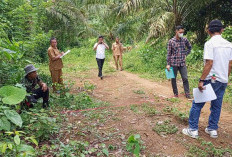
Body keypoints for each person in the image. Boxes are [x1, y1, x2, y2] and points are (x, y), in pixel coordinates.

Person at [182, 20, 232, 139]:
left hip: (211, 79)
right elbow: (230, 64)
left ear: (209, 31)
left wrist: (201, 80)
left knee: (197, 103)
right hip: (223, 80)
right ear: (221, 30)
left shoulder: (209, 44)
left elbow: (209, 63)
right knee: (216, 105)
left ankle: (193, 129)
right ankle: (212, 129)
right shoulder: (229, 45)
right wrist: (226, 76)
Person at [166, 25, 192, 99]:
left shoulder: (185, 40)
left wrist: (185, 54)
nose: (181, 33)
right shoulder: (171, 41)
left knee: (185, 78)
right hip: (173, 63)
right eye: (180, 32)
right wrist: (168, 64)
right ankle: (176, 94)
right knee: (173, 78)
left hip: (182, 63)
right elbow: (169, 53)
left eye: (182, 32)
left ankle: (187, 94)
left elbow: (190, 47)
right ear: (176, 31)